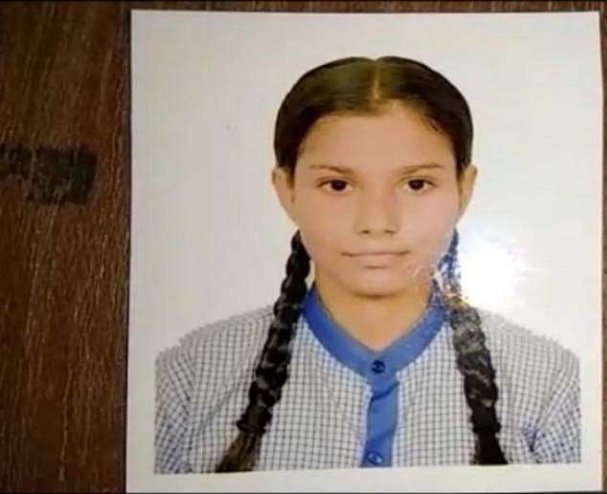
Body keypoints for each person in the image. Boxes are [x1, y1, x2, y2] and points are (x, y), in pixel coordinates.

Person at [155, 55, 580, 474]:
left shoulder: (549, 382)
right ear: (286, 190)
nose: (377, 222)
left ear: (463, 190)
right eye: (338, 185)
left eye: (416, 184)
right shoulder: (188, 378)